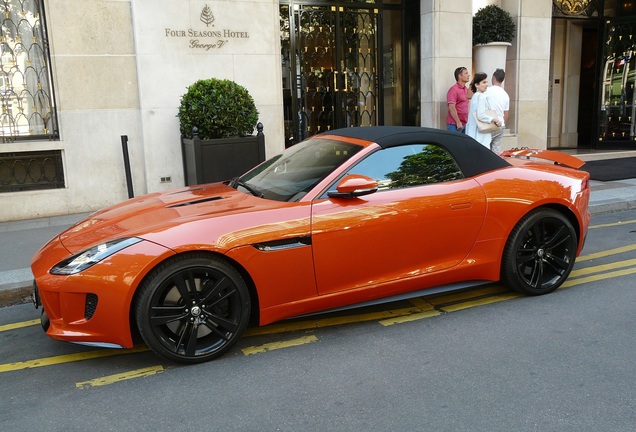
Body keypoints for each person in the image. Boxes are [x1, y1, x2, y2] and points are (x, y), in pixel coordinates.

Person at [465, 72, 500, 148]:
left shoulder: (475, 96)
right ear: (477, 85)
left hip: (473, 133)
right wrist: (494, 119)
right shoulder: (481, 96)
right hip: (480, 135)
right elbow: (481, 115)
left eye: (486, 82)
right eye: (483, 82)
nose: (486, 84)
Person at [486, 68, 510, 153]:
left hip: (490, 124)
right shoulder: (505, 95)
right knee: (496, 150)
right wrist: (502, 124)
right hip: (501, 125)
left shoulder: (487, 91)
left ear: (493, 77)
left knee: (485, 149)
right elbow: (506, 114)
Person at [446, 67, 470, 133]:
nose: (469, 75)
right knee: (454, 143)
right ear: (460, 76)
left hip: (465, 124)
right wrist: (458, 122)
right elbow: (451, 107)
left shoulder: (466, 89)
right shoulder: (453, 90)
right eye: (466, 73)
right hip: (455, 125)